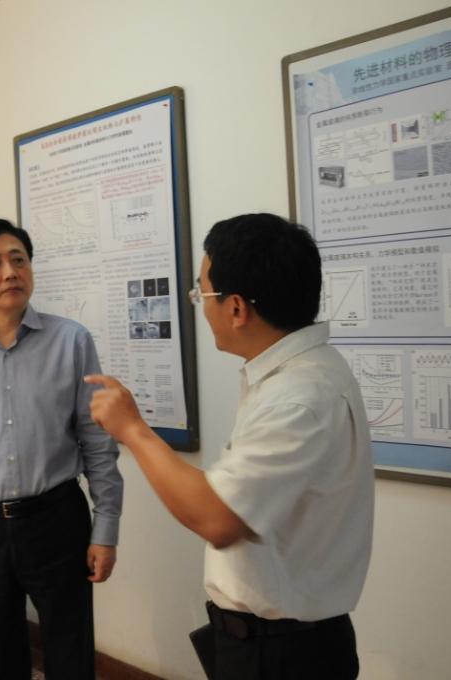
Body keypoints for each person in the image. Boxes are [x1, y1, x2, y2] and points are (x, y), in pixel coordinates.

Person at [86, 213, 374, 680]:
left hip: (282, 654)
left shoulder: (297, 396)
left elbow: (217, 519)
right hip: (277, 641)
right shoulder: (303, 371)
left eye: (201, 294)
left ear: (236, 308)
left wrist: (134, 430)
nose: (201, 307)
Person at [0, 218, 124, 679]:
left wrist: (106, 528)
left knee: (70, 653)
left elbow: (97, 441)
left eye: (19, 260)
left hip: (57, 519)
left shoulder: (71, 340)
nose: (11, 272)